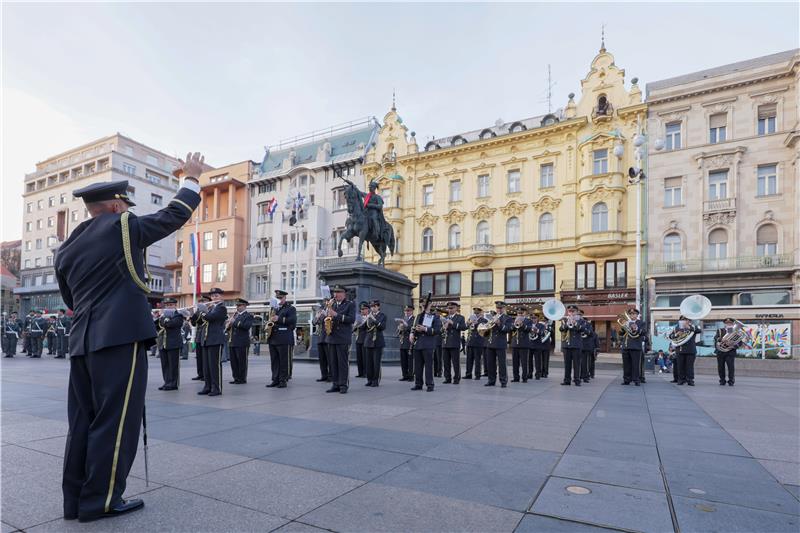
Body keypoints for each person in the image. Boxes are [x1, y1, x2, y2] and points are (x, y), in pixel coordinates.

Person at [54, 153, 202, 522]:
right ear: (117, 204)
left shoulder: (68, 246)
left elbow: (70, 299)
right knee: (115, 420)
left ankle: (75, 501)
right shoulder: (122, 225)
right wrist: (192, 178)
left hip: (82, 341)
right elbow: (173, 215)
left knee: (83, 422)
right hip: (119, 335)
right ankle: (101, 501)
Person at [199, 288, 227, 396]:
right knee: (206, 366)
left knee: (214, 365)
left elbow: (211, 318)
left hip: (215, 339)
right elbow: (199, 321)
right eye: (213, 296)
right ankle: (207, 386)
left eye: (216, 295)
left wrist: (203, 311)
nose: (214, 298)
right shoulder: (210, 308)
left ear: (221, 297)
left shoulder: (221, 308)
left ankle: (216, 388)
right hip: (206, 339)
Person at [267, 289, 295, 388]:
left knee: (284, 361)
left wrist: (279, 319)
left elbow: (293, 321)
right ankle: (275, 379)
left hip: (284, 338)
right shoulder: (273, 309)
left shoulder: (290, 308)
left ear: (284, 298)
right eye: (277, 298)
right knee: (274, 361)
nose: (279, 299)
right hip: (273, 338)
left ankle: (283, 380)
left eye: (280, 298)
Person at [411, 299, 441, 392]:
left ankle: (430, 384)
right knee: (418, 366)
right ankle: (418, 383)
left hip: (428, 343)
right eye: (422, 304)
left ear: (430, 305)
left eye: (426, 304)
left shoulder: (434, 317)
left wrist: (425, 329)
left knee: (428, 366)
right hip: (418, 343)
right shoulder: (418, 316)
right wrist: (412, 333)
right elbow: (414, 327)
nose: (424, 306)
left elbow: (437, 330)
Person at [157, 298, 184, 391]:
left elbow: (172, 324)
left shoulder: (179, 315)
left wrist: (164, 320)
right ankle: (167, 382)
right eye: (167, 305)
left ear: (175, 305)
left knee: (173, 365)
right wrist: (163, 319)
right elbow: (158, 325)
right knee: (165, 365)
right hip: (163, 343)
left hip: (173, 343)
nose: (169, 307)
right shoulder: (162, 316)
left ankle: (173, 383)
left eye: (171, 305)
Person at [485, 301, 513, 388]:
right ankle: (491, 380)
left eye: (500, 308)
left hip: (500, 343)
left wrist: (499, 323)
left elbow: (508, 329)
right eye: (497, 308)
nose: (499, 309)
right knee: (490, 363)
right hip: (491, 343)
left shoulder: (507, 318)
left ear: (504, 308)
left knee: (502, 364)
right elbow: (487, 329)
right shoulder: (492, 317)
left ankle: (503, 381)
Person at [669, 315, 702, 386]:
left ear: (689, 320)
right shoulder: (676, 328)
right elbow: (670, 336)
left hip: (690, 350)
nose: (684, 321)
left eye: (686, 319)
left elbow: (699, 331)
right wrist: (676, 334)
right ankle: (681, 380)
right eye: (682, 320)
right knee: (680, 366)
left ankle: (690, 380)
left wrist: (689, 327)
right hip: (680, 349)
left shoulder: (693, 327)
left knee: (689, 366)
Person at [560, 305, 588, 386]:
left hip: (576, 345)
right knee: (567, 364)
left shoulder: (581, 320)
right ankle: (567, 380)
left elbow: (583, 330)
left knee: (576, 364)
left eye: (573, 311)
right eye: (569, 311)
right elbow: (561, 329)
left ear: (576, 312)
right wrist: (567, 324)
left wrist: (575, 323)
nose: (571, 313)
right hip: (566, 345)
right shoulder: (565, 320)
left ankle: (577, 380)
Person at [228, 298, 254, 385]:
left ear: (244, 306)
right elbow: (230, 328)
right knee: (234, 362)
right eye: (237, 305)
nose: (237, 307)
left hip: (242, 342)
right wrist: (228, 324)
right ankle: (236, 378)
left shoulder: (248, 316)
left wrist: (234, 322)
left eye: (239, 305)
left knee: (242, 361)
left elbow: (246, 326)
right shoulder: (236, 315)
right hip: (233, 341)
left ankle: (242, 378)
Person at [442, 301, 467, 384]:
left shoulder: (460, 317)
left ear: (456, 308)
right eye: (448, 308)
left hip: (454, 343)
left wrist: (453, 323)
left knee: (455, 362)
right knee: (446, 362)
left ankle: (456, 378)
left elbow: (464, 327)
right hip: (445, 342)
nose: (450, 310)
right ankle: (447, 378)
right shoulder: (445, 317)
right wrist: (443, 327)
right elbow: (441, 330)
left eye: (452, 308)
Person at [363, 299, 386, 388]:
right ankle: (370, 379)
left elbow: (382, 327)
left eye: (374, 306)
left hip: (378, 341)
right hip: (368, 341)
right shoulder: (369, 316)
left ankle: (375, 380)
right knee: (368, 362)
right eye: (371, 306)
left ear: (378, 307)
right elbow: (364, 327)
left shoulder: (382, 315)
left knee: (376, 362)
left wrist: (373, 319)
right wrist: (361, 321)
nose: (372, 308)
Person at [620, 308, 646, 386]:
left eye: (634, 314)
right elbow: (621, 334)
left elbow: (643, 332)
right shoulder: (626, 322)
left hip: (635, 346)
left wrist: (636, 328)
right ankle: (626, 379)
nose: (632, 315)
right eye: (630, 314)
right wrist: (623, 328)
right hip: (626, 346)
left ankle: (636, 380)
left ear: (637, 315)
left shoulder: (641, 323)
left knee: (635, 365)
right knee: (626, 365)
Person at [715, 317, 742, 386]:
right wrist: (721, 340)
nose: (728, 324)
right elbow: (716, 338)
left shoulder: (736, 332)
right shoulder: (720, 330)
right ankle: (722, 380)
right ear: (724, 324)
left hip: (730, 351)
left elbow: (740, 342)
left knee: (730, 367)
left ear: (733, 324)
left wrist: (733, 345)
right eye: (727, 323)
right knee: (720, 367)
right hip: (720, 351)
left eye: (730, 323)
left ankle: (731, 380)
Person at [190, 296, 210, 381]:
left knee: (205, 357)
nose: (202, 302)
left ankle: (206, 375)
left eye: (204, 301)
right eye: (201, 301)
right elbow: (194, 324)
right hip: (198, 335)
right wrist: (192, 314)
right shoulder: (198, 312)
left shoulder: (209, 311)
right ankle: (200, 374)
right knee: (199, 357)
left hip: (206, 335)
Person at [510, 306, 532, 383]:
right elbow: (511, 329)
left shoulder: (528, 321)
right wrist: (514, 324)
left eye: (521, 313)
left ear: (525, 313)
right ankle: (516, 377)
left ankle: (524, 377)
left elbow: (529, 329)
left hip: (524, 344)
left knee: (524, 362)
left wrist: (522, 324)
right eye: (518, 313)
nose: (520, 314)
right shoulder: (514, 320)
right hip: (515, 343)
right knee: (515, 362)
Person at [465, 307, 486, 380]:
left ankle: (477, 375)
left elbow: (484, 330)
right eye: (475, 313)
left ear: (480, 313)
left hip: (478, 342)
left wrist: (477, 323)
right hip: (470, 341)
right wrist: (469, 323)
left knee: (477, 360)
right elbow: (465, 326)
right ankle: (468, 374)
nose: (476, 314)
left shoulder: (484, 320)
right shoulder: (470, 319)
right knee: (469, 359)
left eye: (477, 313)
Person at [314, 299, 331, 382]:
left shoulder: (329, 311)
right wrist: (317, 316)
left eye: (326, 302)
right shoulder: (320, 312)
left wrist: (326, 314)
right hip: (320, 338)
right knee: (322, 359)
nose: (325, 303)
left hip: (327, 337)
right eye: (324, 302)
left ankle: (330, 376)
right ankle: (324, 375)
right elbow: (314, 322)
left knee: (329, 359)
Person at [397, 304, 414, 381]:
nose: (406, 312)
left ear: (412, 311)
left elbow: (413, 329)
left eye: (408, 311)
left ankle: (411, 376)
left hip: (410, 342)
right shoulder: (404, 319)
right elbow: (399, 331)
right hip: (403, 341)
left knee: (410, 360)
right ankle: (405, 375)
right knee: (403, 360)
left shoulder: (414, 319)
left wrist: (405, 324)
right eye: (405, 311)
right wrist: (399, 328)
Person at [354, 302, 369, 378]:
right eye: (361, 309)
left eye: (364, 309)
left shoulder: (369, 317)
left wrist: (363, 322)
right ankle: (360, 373)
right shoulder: (359, 317)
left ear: (367, 309)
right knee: (359, 357)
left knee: (365, 357)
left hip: (366, 339)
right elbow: (353, 329)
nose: (362, 311)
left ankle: (366, 373)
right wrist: (355, 324)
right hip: (358, 339)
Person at [579, 309, 594, 383]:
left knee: (585, 362)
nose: (579, 316)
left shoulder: (587, 324)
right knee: (577, 362)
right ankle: (577, 376)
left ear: (582, 315)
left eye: (580, 315)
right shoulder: (572, 323)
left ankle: (585, 376)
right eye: (577, 315)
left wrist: (583, 329)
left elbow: (591, 333)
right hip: (576, 345)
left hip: (585, 346)